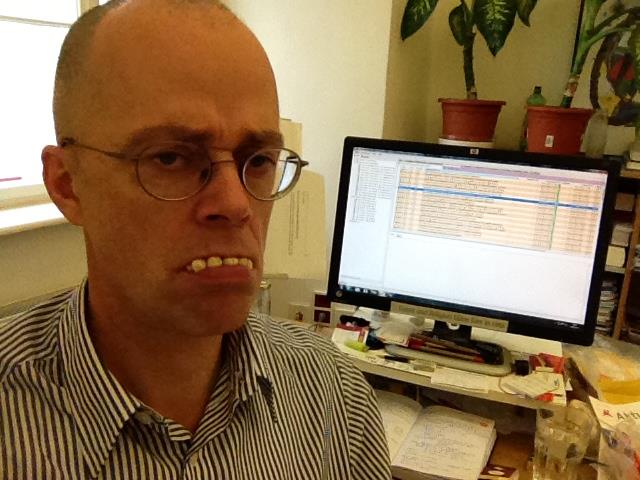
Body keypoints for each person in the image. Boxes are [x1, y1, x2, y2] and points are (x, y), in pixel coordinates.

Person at [0, 1, 391, 478]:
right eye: (170, 158)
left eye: (259, 161)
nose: (236, 204)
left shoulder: (336, 399)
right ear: (67, 184)